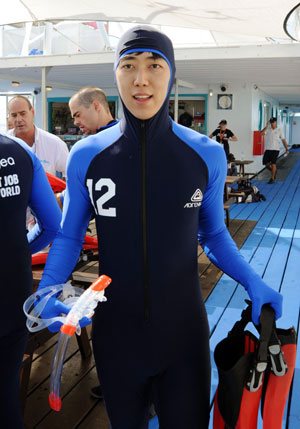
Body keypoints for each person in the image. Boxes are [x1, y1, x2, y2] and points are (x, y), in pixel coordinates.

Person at [37, 26, 282, 428]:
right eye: (128, 66)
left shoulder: (204, 153)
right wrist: (48, 288)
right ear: (115, 75)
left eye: (155, 65)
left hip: (182, 335)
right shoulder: (87, 155)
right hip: (116, 336)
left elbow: (214, 233)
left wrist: (252, 281)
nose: (141, 79)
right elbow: (67, 234)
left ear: (171, 73)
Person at [0, 132, 61, 428]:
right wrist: (18, 250)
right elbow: (51, 224)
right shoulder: (20, 151)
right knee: (5, 393)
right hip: (11, 288)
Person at [7, 95, 69, 177]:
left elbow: (69, 173)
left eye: (23, 114)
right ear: (9, 118)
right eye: (14, 115)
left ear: (32, 113)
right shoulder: (3, 143)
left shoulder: (54, 143)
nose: (19, 119)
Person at [260, 117, 289, 184]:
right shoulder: (268, 129)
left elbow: (283, 140)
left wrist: (286, 149)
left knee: (273, 163)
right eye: (271, 122)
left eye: (273, 122)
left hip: (276, 149)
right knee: (266, 164)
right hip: (268, 149)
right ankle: (274, 171)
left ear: (276, 122)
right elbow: (261, 133)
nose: (272, 123)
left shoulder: (279, 130)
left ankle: (272, 178)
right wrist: (266, 126)